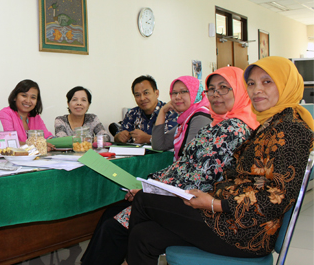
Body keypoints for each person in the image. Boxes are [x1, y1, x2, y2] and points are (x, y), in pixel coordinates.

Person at [126, 57, 314, 264]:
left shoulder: (292, 128)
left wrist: (215, 204)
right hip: (229, 217)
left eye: (267, 81)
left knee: (144, 200)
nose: (256, 90)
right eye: (251, 83)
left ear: (286, 84)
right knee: (143, 235)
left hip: (245, 232)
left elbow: (276, 198)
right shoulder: (269, 123)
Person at [81, 67, 259, 265]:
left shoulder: (231, 127)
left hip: (200, 205)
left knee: (118, 226)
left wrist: (151, 189)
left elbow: (199, 178)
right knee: (122, 220)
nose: (216, 95)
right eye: (212, 89)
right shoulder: (215, 124)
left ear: (241, 90)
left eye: (224, 88)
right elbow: (183, 164)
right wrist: (149, 185)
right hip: (185, 195)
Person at [151, 76, 212, 158]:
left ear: (195, 93)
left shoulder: (200, 117)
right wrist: (162, 111)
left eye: (183, 92)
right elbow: (158, 145)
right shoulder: (186, 118)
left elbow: (191, 158)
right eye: (174, 93)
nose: (177, 97)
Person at [114, 75, 178, 144]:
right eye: (137, 95)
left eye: (146, 93)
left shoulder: (170, 112)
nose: (142, 98)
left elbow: (174, 140)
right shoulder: (132, 114)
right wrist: (119, 137)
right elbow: (118, 136)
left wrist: (147, 139)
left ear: (156, 93)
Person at [0, 79, 55, 151]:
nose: (28, 101)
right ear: (15, 97)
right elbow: (9, 143)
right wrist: (37, 146)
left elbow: (47, 137)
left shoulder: (35, 116)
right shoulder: (5, 114)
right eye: (24, 95)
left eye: (33, 97)